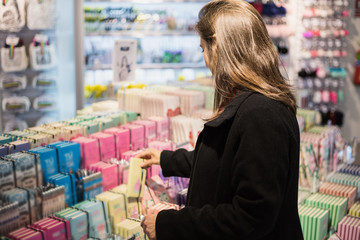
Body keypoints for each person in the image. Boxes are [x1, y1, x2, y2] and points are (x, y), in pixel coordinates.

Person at [137, 0, 303, 239]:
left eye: (203, 48)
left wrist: (168, 224)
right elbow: (225, 161)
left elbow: (250, 218)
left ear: (217, 46)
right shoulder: (257, 104)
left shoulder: (260, 114)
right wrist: (165, 159)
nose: (205, 60)